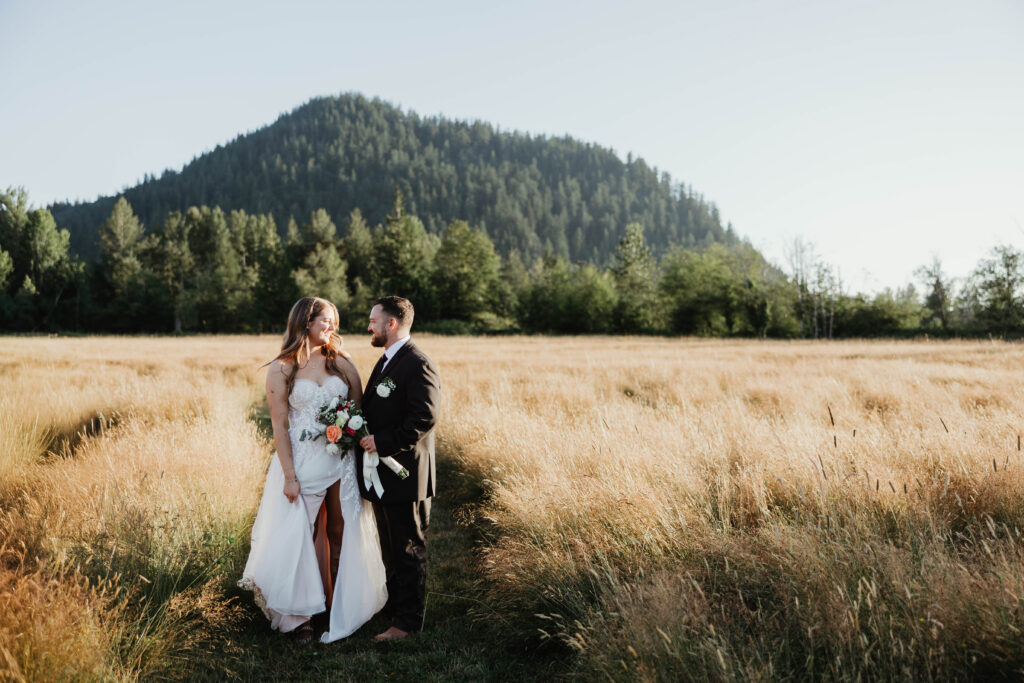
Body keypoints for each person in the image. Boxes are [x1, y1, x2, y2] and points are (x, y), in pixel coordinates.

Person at [239, 297, 386, 644]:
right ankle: (299, 614)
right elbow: (279, 426)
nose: (332, 327)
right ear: (306, 322)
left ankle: (339, 602)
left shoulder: (342, 362)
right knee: (302, 533)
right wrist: (289, 476)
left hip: (341, 460)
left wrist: (350, 432)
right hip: (303, 462)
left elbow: (357, 411)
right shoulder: (282, 368)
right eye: (326, 321)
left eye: (334, 321)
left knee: (341, 530)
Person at [358, 296, 441, 641]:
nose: (369, 326)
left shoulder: (417, 363)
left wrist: (382, 442)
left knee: (408, 548)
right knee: (392, 546)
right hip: (386, 475)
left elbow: (425, 417)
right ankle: (395, 605)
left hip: (407, 474)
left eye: (373, 320)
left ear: (391, 324)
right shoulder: (389, 359)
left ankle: (407, 623)